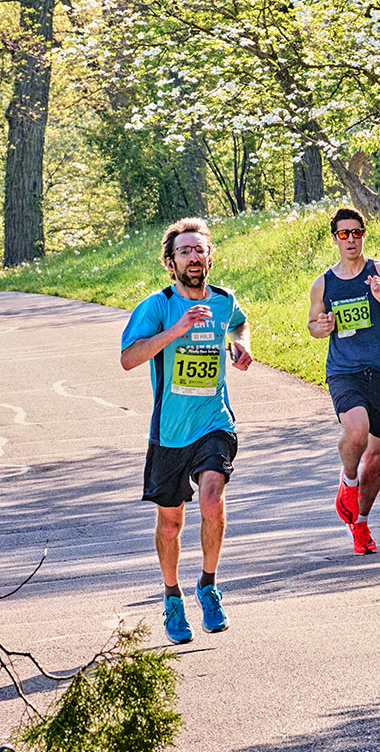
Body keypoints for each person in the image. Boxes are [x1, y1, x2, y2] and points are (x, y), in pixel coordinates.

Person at [120, 218, 253, 644]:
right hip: (170, 431)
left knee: (212, 501)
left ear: (209, 256)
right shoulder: (158, 307)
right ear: (170, 262)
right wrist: (176, 331)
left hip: (214, 421)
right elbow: (128, 358)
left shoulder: (223, 301)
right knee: (171, 522)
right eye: (185, 251)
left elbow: (238, 322)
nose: (194, 257)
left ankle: (209, 585)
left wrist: (240, 343)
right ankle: (173, 596)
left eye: (200, 250)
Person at [307, 207, 380, 554]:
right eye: (344, 234)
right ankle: (347, 481)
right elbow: (312, 325)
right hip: (344, 370)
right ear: (335, 238)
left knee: (377, 459)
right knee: (357, 431)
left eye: (356, 232)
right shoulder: (323, 283)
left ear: (364, 234)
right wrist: (320, 327)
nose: (350, 239)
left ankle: (360, 522)